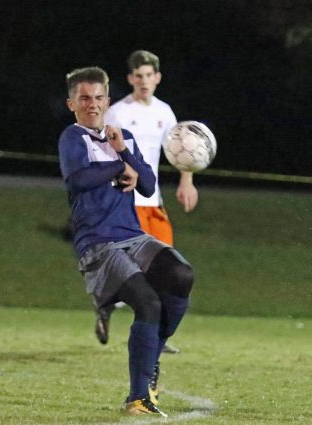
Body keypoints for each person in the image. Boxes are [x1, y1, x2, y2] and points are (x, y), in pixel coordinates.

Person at [59, 66, 194, 417]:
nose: (93, 104)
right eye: (84, 98)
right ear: (71, 102)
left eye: (99, 97)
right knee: (148, 304)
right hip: (98, 245)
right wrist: (119, 167)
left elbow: (147, 184)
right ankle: (137, 398)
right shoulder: (73, 138)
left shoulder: (122, 136)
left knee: (181, 276)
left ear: (107, 100)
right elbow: (78, 181)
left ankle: (150, 363)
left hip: (132, 236)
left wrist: (126, 154)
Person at [97, 50, 198, 354]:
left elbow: (184, 149)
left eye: (148, 75)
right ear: (130, 79)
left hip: (153, 203)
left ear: (158, 78)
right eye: (137, 76)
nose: (143, 81)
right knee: (131, 271)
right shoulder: (116, 113)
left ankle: (156, 331)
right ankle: (108, 306)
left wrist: (186, 181)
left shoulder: (165, 113)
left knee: (168, 270)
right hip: (125, 203)